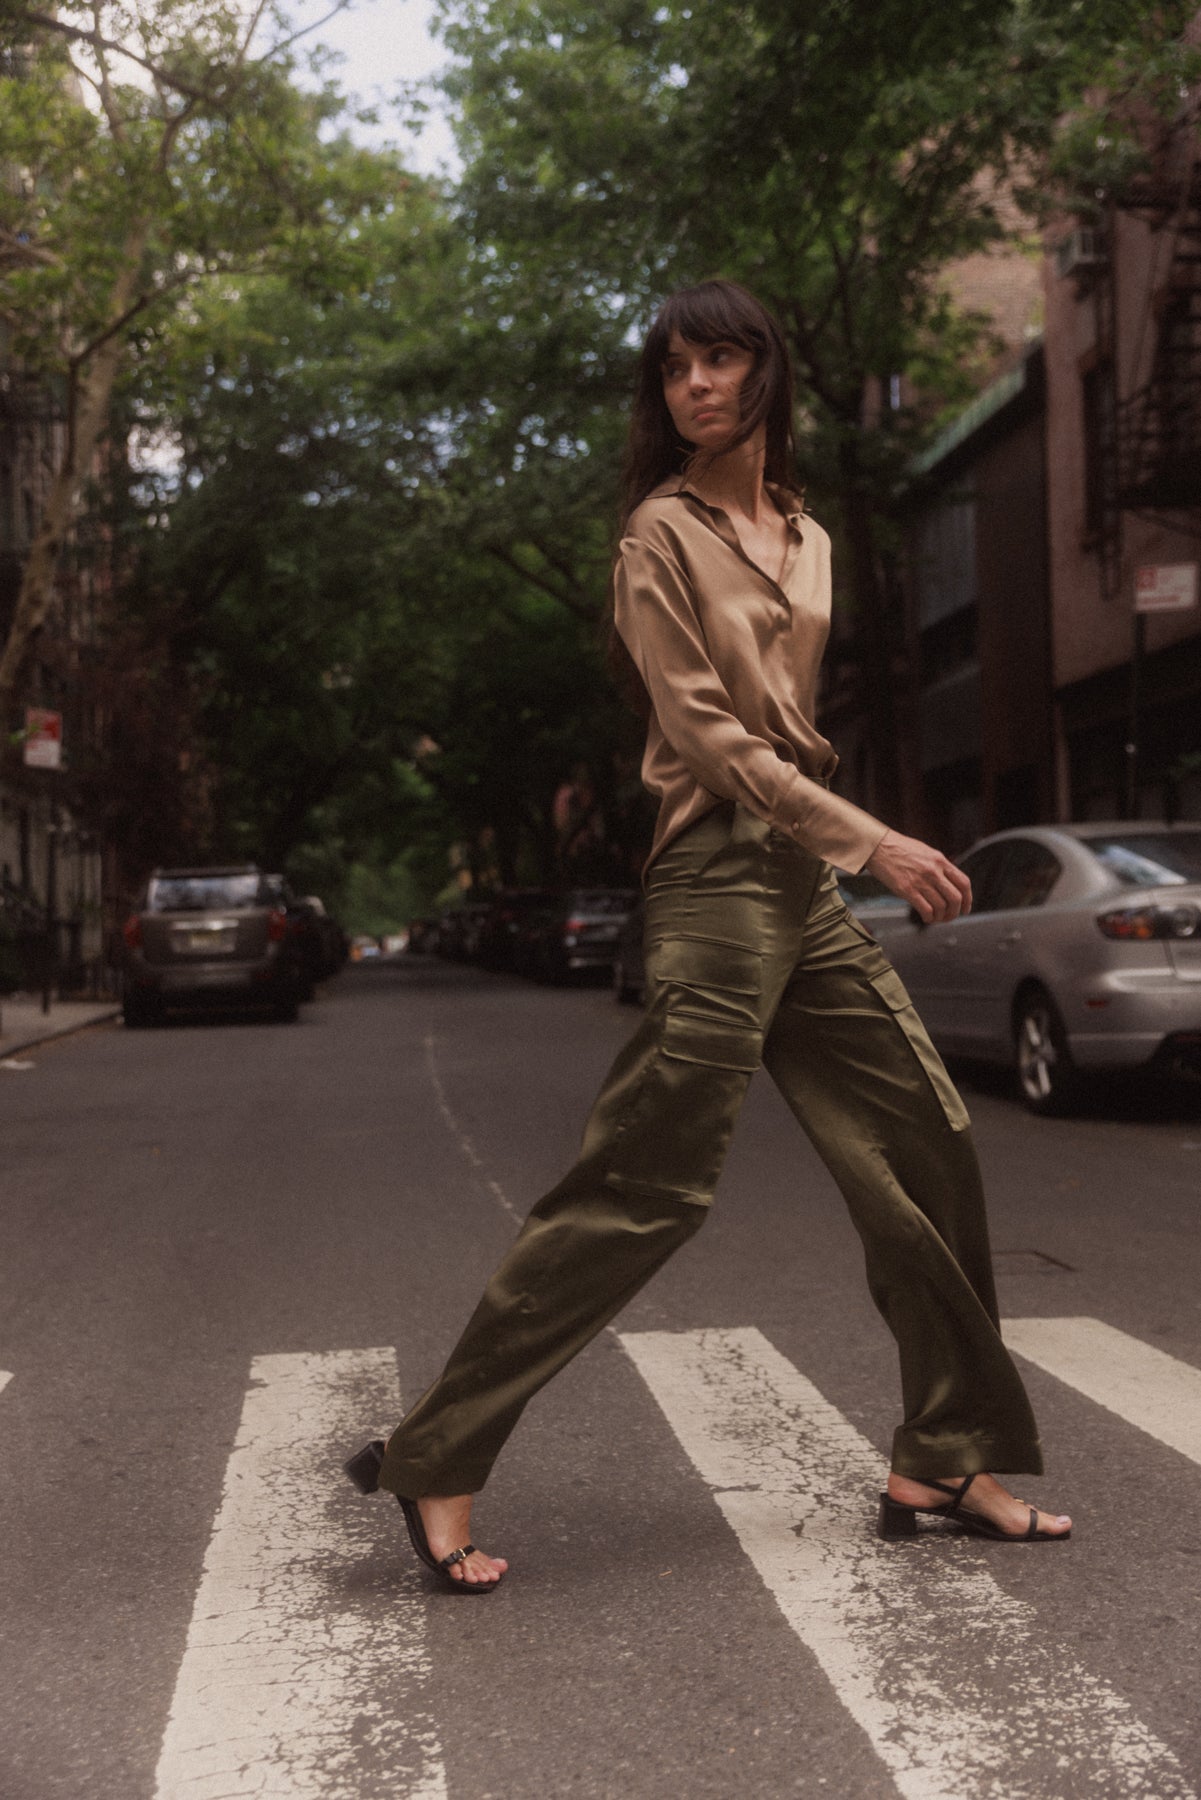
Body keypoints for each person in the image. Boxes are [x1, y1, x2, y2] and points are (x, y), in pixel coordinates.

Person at [345, 279, 1071, 1590]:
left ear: (763, 374)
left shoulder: (803, 532)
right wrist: (874, 839)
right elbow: (705, 736)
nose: (696, 385)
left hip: (796, 879)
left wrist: (833, 845)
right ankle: (437, 1455)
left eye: (721, 360)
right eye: (676, 368)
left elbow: (787, 714)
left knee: (926, 1135)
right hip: (718, 878)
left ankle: (943, 1452)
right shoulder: (654, 539)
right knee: (645, 1189)